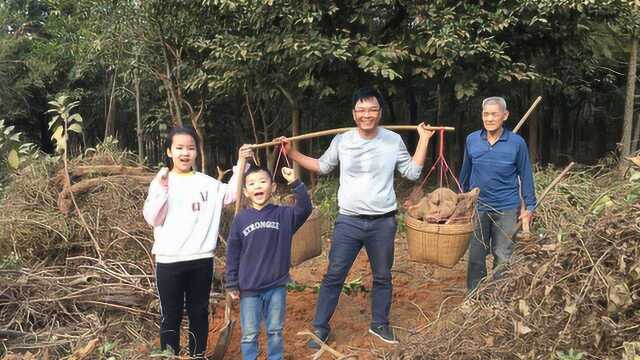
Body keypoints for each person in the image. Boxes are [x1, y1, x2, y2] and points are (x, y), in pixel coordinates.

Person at [278, 87, 435, 347]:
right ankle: (320, 328)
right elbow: (323, 166)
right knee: (334, 275)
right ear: (354, 114)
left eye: (372, 109)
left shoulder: (393, 140)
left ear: (380, 112)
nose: (367, 114)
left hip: (383, 221)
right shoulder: (342, 140)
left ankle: (380, 324)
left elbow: (412, 172)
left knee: (383, 276)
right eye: (361, 110)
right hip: (348, 222)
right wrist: (292, 153)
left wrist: (424, 139)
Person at [142, 126, 253, 358]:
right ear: (169, 152)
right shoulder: (162, 182)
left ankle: (197, 355)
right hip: (169, 261)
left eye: (190, 148)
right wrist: (162, 189)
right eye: (179, 148)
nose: (185, 153)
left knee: (199, 313)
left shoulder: (206, 183)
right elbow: (153, 218)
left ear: (196, 152)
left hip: (201, 260)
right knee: (170, 315)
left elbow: (232, 194)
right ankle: (169, 356)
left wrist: (242, 163)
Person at [225, 164, 312, 360]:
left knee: (275, 331)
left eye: (263, 182)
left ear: (272, 187)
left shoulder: (284, 215)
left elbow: (305, 208)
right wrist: (231, 281)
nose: (258, 186)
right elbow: (233, 251)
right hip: (249, 288)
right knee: (249, 334)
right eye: (252, 183)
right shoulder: (241, 219)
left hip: (276, 286)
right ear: (246, 192)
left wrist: (295, 182)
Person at [459, 96, 537, 293]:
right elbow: (465, 174)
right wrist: (461, 202)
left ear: (505, 115)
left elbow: (526, 176)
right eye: (486, 114)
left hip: (507, 208)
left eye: (494, 114)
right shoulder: (472, 140)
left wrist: (530, 206)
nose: (489, 118)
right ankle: (474, 297)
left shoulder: (517, 143)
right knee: (476, 255)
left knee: (503, 254)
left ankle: (498, 297)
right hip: (478, 207)